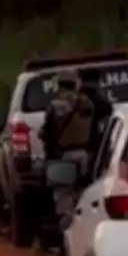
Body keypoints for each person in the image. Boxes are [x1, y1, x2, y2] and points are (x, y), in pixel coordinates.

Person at [39, 68, 95, 225]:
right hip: (84, 153)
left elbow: (47, 130)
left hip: (63, 155)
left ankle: (66, 231)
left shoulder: (56, 105)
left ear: (59, 84)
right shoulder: (86, 102)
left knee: (63, 194)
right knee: (81, 191)